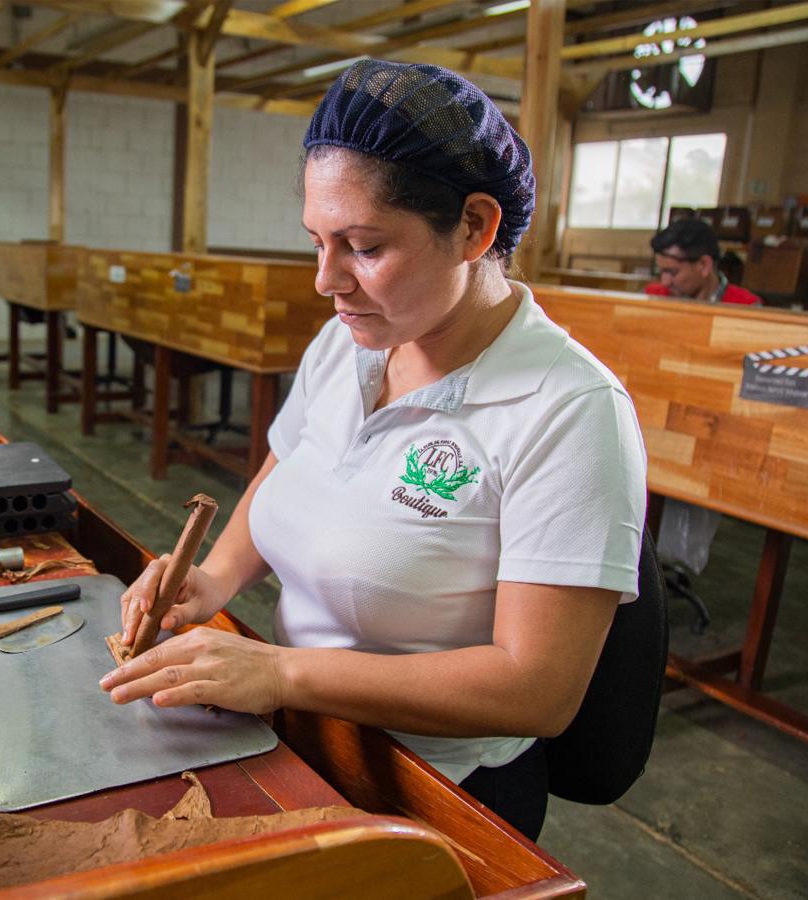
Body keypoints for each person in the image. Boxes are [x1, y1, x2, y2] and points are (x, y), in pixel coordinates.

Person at [99, 60, 648, 841]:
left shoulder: (567, 411)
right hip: (315, 729)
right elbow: (286, 468)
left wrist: (282, 672)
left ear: (475, 227)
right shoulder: (347, 343)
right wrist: (213, 577)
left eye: (363, 246)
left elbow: (536, 689)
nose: (328, 280)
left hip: (440, 785)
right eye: (318, 242)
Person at [645, 218, 761, 305]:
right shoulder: (652, 297)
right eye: (661, 272)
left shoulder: (746, 307)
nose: (665, 282)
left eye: (672, 272)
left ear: (704, 265)